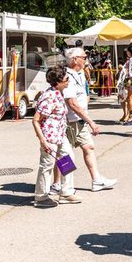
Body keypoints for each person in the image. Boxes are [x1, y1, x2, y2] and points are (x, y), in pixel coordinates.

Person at [58, 48, 117, 192]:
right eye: (84, 57)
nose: (86, 60)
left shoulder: (80, 74)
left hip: (79, 120)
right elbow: (72, 103)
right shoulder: (67, 77)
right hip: (69, 121)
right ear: (74, 60)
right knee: (64, 155)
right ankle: (58, 185)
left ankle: (96, 180)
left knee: (88, 147)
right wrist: (91, 122)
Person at [33, 66, 79, 207]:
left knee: (68, 158)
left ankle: (66, 191)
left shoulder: (59, 93)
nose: (68, 81)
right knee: (47, 165)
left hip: (60, 135)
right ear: (57, 82)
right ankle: (41, 197)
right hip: (49, 137)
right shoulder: (49, 96)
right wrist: (42, 140)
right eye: (66, 79)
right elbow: (36, 120)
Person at [116, 48, 132, 125]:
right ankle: (127, 115)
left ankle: (130, 116)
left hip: (128, 80)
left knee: (129, 98)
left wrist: (129, 79)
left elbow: (130, 71)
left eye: (127, 52)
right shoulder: (130, 59)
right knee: (124, 98)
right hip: (125, 80)